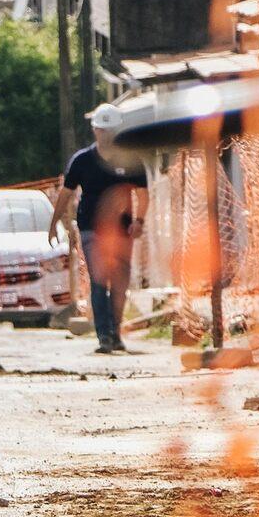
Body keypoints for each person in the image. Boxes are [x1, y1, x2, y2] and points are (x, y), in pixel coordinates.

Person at [51, 103, 150, 354]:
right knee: (99, 280)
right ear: (94, 130)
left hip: (122, 231)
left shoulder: (130, 159)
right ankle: (104, 336)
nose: (105, 135)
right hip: (91, 229)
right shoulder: (82, 160)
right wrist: (54, 223)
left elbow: (142, 193)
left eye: (110, 130)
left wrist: (139, 221)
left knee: (119, 283)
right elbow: (66, 193)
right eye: (101, 130)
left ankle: (115, 332)